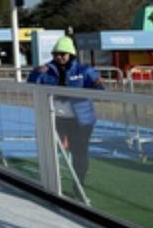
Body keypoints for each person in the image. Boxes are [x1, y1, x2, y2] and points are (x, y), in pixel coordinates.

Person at [27, 36, 104, 189]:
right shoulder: (46, 70)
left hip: (80, 120)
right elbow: (30, 85)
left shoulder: (84, 70)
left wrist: (98, 84)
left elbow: (100, 90)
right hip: (55, 118)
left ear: (71, 54)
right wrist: (36, 73)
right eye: (56, 54)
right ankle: (50, 182)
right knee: (49, 149)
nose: (59, 57)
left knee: (79, 153)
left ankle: (79, 185)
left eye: (63, 54)